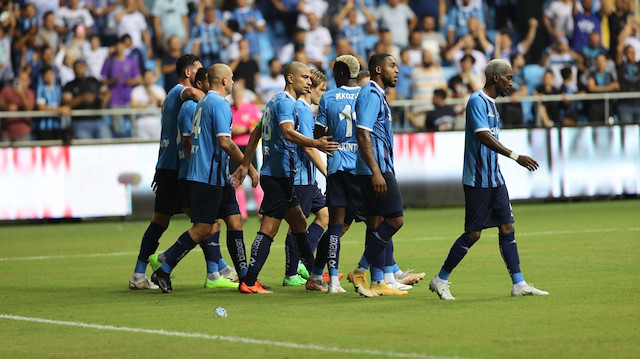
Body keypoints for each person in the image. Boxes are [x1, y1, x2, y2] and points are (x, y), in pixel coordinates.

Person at [429, 59, 549, 300]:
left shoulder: (493, 105)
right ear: (496, 77)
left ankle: (519, 284)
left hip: (495, 178)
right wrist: (515, 156)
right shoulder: (476, 101)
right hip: (477, 179)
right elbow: (483, 136)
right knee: (473, 233)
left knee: (508, 227)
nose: (511, 83)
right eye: (509, 78)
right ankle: (440, 279)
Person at [233, 61, 339, 294]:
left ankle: (312, 276)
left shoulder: (273, 102)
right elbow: (287, 132)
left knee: (300, 224)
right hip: (280, 174)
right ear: (290, 78)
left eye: (310, 79)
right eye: (304, 77)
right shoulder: (284, 102)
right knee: (269, 227)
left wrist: (245, 164)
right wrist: (317, 143)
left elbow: (256, 133)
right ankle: (250, 282)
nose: (309, 82)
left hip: (279, 174)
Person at [151, 64, 256, 293]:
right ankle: (164, 269)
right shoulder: (218, 104)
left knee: (235, 221)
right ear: (225, 81)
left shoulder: (202, 104)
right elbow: (225, 142)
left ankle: (246, 279)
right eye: (232, 77)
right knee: (203, 228)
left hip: (217, 175)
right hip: (207, 176)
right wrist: (247, 165)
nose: (234, 80)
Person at [128, 54, 204, 290]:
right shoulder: (178, 92)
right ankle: (213, 269)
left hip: (167, 166)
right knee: (205, 222)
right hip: (175, 169)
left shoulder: (174, 98)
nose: (203, 75)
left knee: (162, 222)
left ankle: (139, 274)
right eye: (199, 71)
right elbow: (191, 93)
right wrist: (214, 100)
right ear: (189, 73)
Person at [348, 53, 408, 297]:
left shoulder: (377, 95)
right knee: (395, 220)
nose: (397, 69)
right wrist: (376, 172)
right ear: (377, 69)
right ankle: (360, 270)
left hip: (376, 168)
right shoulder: (371, 94)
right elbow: (363, 134)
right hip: (376, 169)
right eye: (392, 65)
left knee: (376, 222)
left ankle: (379, 280)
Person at [312, 55, 362, 293]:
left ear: (341, 72)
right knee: (377, 220)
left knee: (335, 226)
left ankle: (332, 281)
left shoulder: (328, 97)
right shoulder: (368, 95)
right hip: (362, 168)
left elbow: (318, 133)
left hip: (337, 165)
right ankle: (385, 274)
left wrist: (325, 143)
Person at [284, 69, 330, 289]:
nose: (322, 94)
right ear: (311, 88)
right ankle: (291, 273)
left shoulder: (305, 110)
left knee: (324, 216)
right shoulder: (301, 109)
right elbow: (308, 147)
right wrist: (326, 172)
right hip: (301, 177)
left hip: (308, 178)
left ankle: (304, 263)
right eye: (321, 90)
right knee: (297, 226)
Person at [230, 82, 264, 219]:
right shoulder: (229, 108)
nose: (237, 97)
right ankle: (241, 213)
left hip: (249, 147)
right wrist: (235, 129)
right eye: (234, 95)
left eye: (238, 94)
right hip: (234, 148)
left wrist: (243, 129)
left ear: (242, 95)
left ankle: (262, 211)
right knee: (236, 180)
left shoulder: (251, 108)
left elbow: (258, 125)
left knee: (254, 176)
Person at [62, 59, 112, 139]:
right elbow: (67, 103)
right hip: (80, 122)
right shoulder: (69, 85)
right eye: (76, 68)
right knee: (86, 145)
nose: (78, 70)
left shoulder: (94, 81)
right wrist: (82, 99)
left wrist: (104, 100)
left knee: (106, 142)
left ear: (85, 68)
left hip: (98, 120)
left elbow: (107, 92)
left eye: (80, 67)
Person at [35, 65, 72, 140]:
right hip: (45, 127)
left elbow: (62, 103)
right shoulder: (40, 89)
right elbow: (41, 107)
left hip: (58, 124)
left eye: (51, 73)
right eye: (47, 74)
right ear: (43, 77)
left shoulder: (58, 88)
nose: (49, 76)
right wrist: (59, 110)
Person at [0, 68, 35, 141]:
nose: (21, 82)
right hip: (6, 131)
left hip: (23, 132)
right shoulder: (7, 89)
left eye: (24, 80)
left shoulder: (30, 93)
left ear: (28, 82)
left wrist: (21, 94)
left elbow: (29, 108)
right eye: (19, 79)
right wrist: (7, 107)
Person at [130, 69, 166, 139]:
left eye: (151, 77)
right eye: (147, 77)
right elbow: (133, 106)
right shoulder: (137, 90)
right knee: (143, 145)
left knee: (157, 144)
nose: (149, 79)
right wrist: (147, 104)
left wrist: (153, 95)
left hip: (155, 120)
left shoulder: (159, 89)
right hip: (141, 120)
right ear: (143, 78)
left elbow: (164, 105)